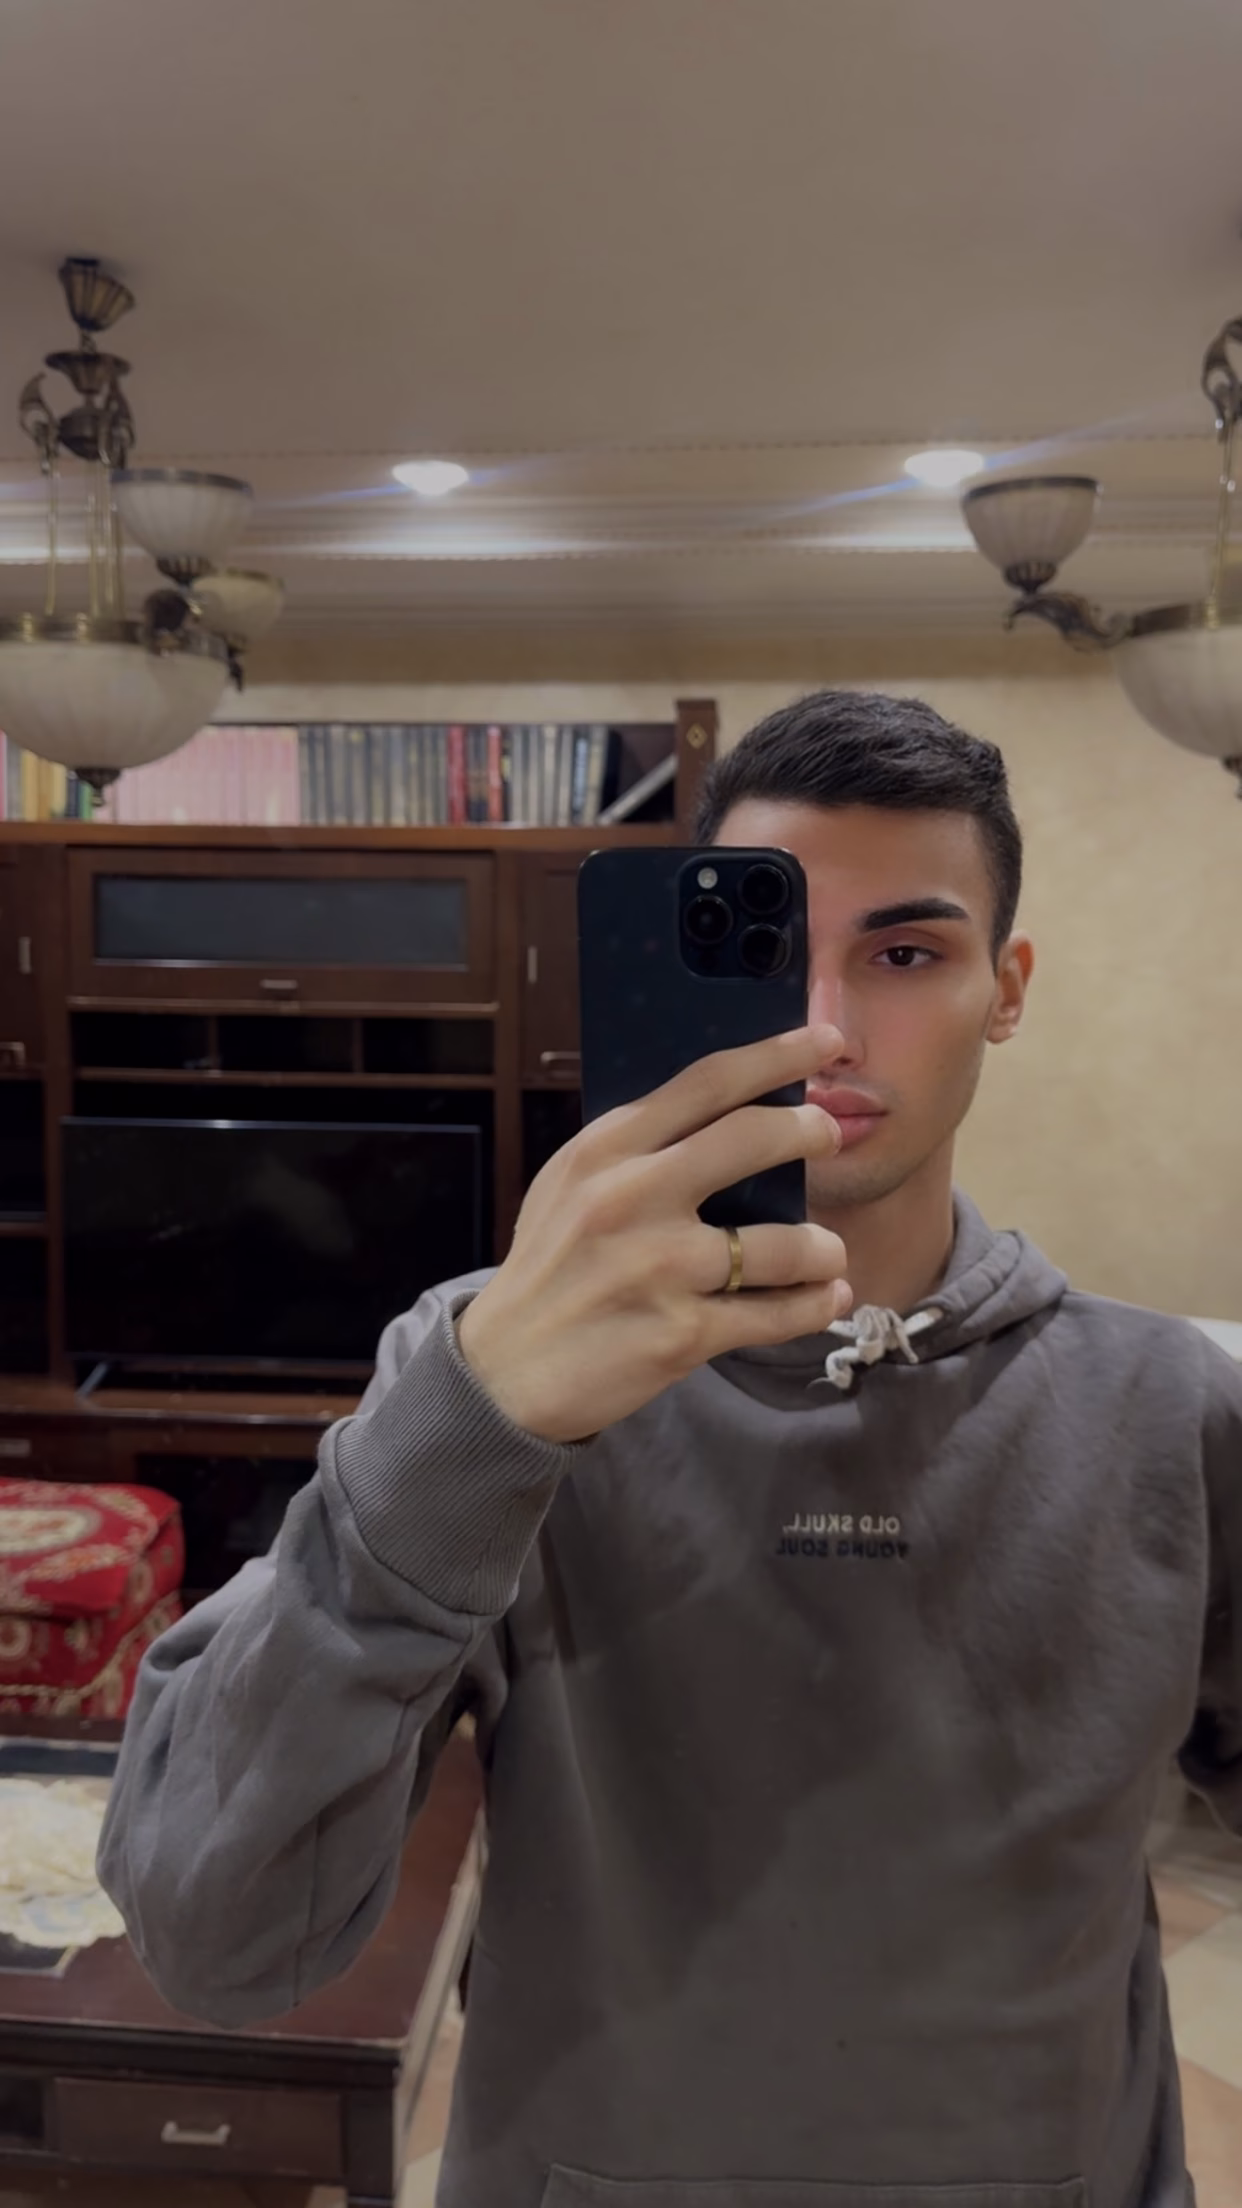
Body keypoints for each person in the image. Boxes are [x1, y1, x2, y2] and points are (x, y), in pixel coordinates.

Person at [99, 690, 1242, 2208]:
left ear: (1005, 988)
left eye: (904, 954)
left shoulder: (1168, 1407)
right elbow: (215, 1937)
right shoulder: (496, 1372)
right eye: (766, 954)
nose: (824, 1027)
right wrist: (477, 1420)